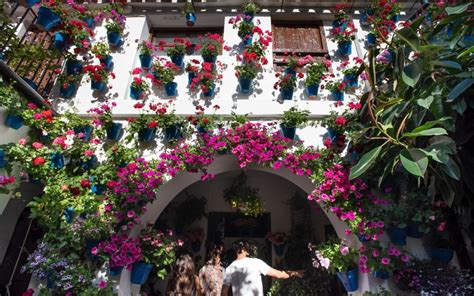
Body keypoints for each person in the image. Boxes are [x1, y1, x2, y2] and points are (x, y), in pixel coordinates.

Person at [221, 241, 304, 296]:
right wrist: (295, 273)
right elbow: (278, 275)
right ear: (244, 250)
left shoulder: (229, 268)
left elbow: (224, 292)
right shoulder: (256, 263)